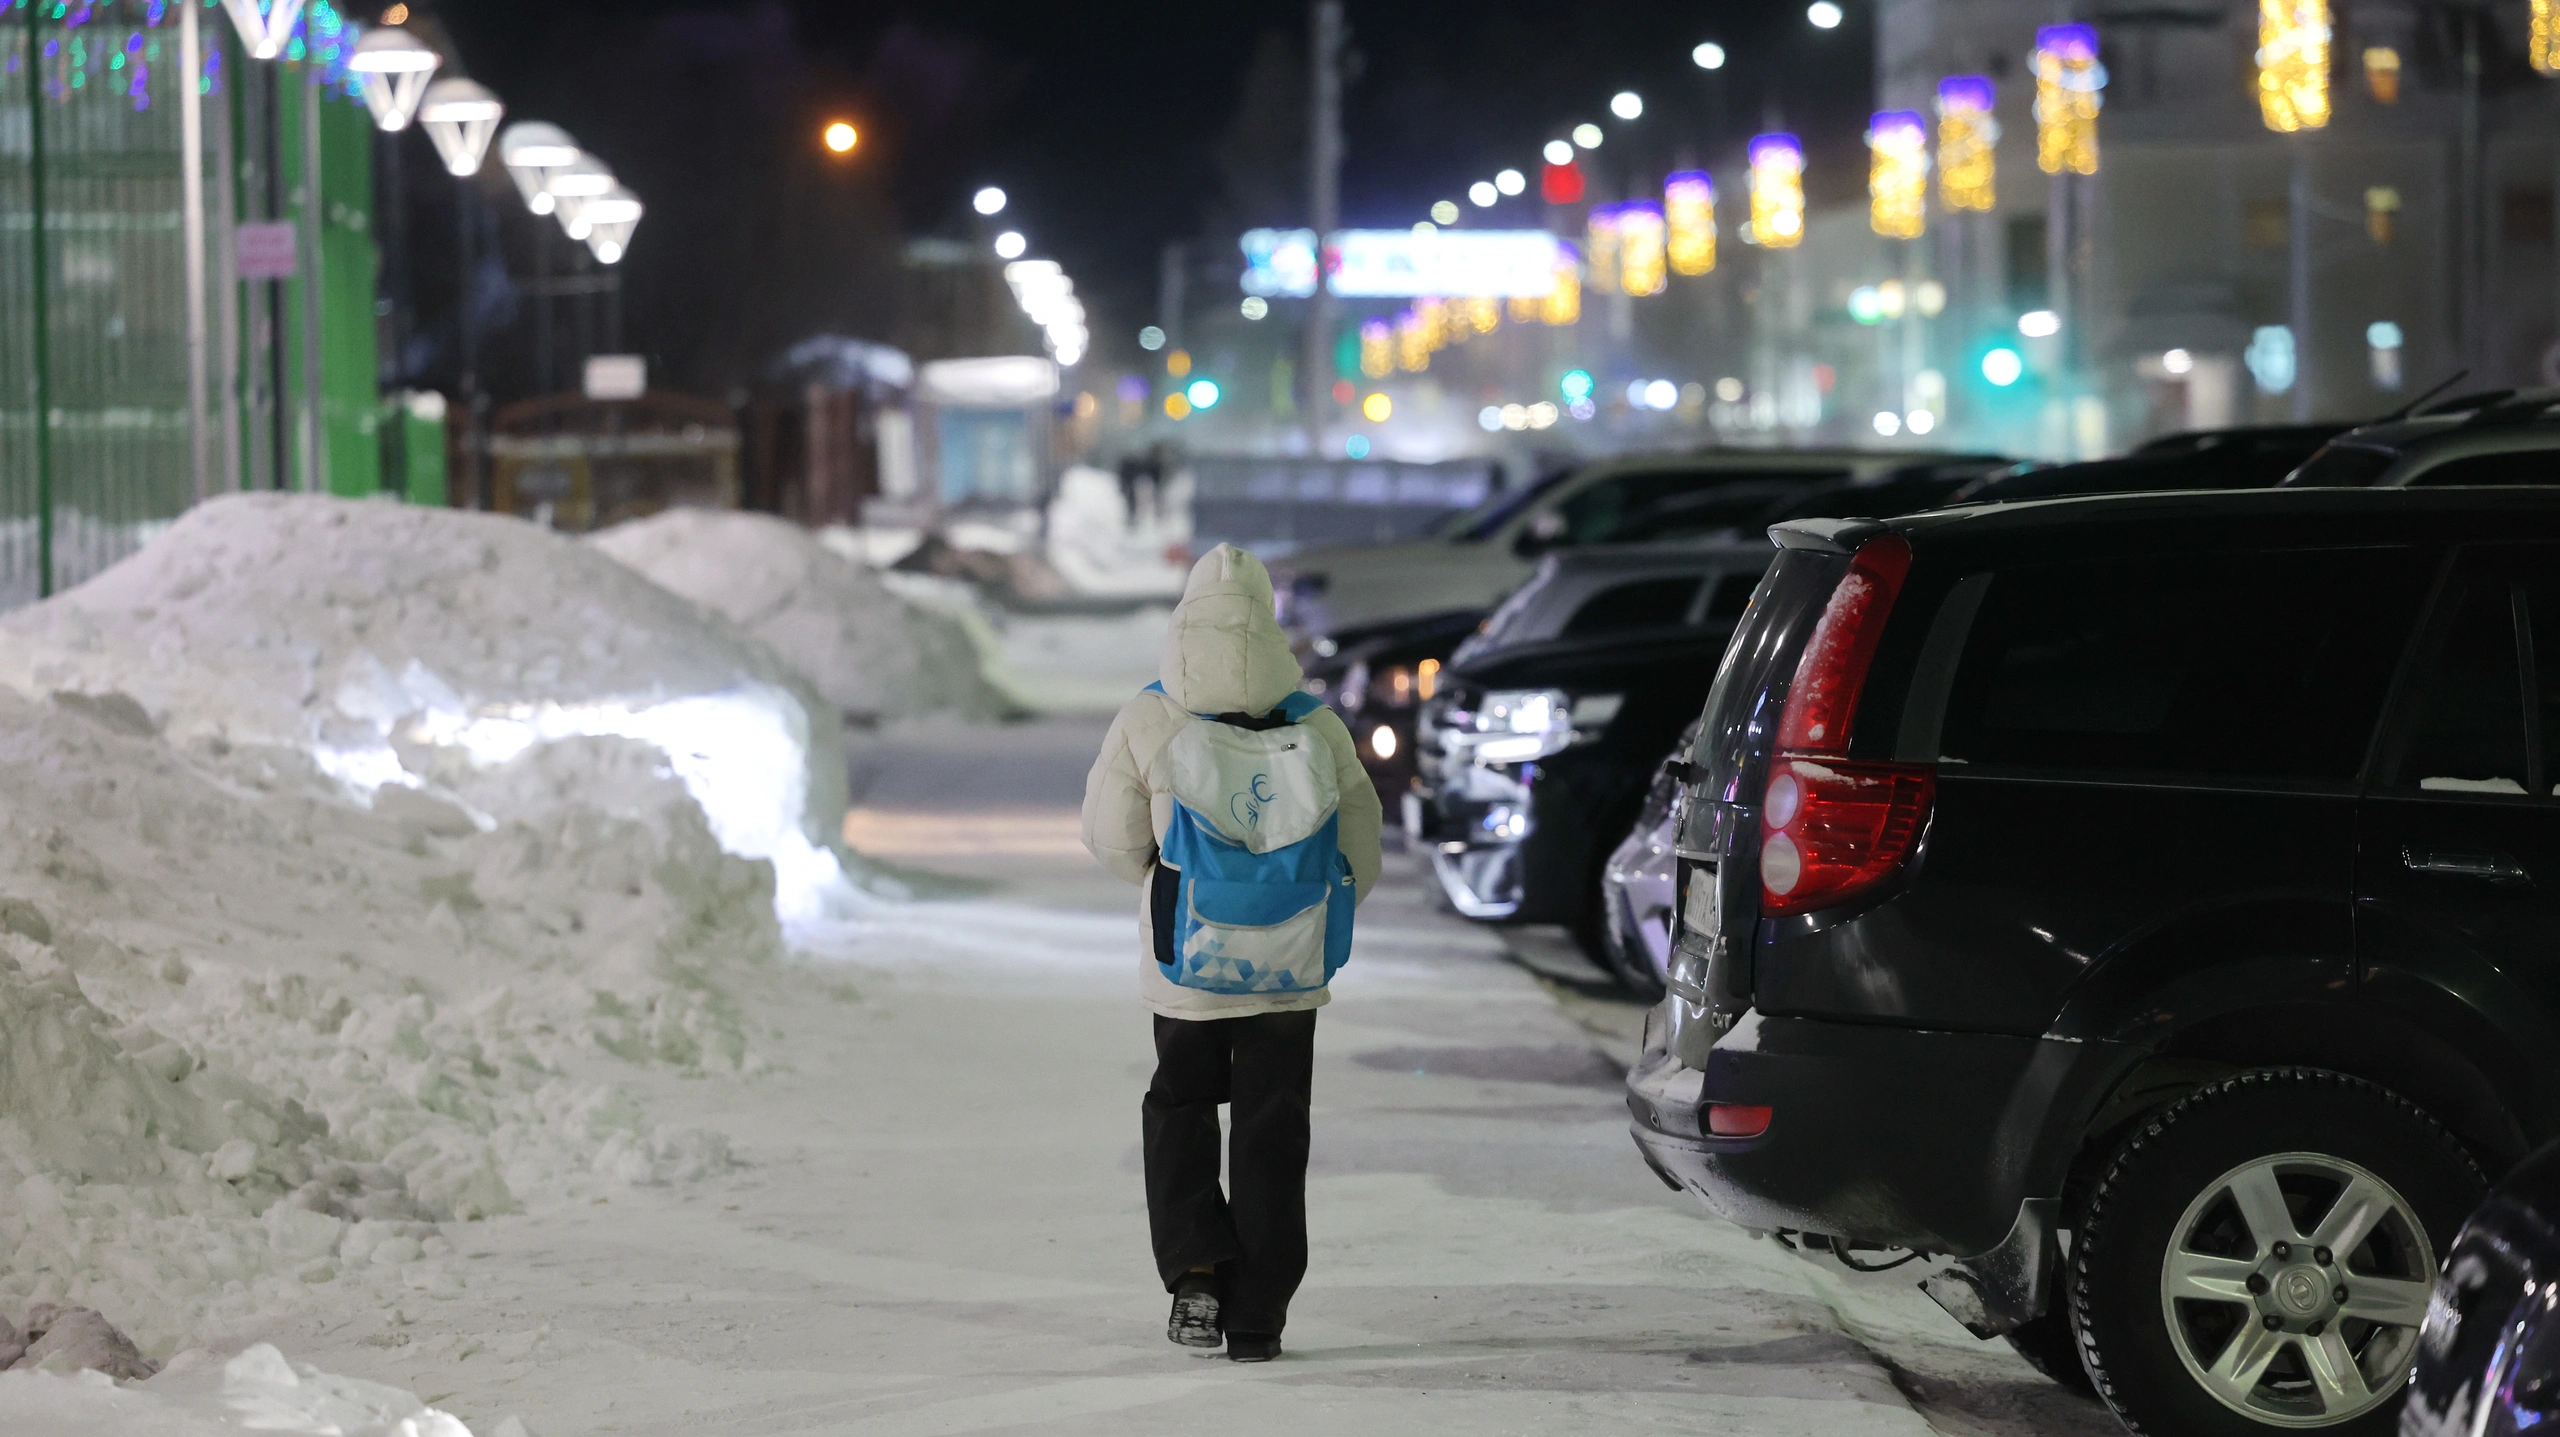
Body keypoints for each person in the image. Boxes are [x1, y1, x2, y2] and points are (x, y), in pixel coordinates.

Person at [1081, 544, 1382, 1363]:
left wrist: (1168, 882)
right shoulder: (1313, 721)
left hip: (1187, 963)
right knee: (1271, 1126)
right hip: (1288, 969)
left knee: (1180, 1106)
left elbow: (1108, 838)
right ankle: (1259, 1316)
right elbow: (1361, 845)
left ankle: (1197, 1269)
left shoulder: (1149, 715)